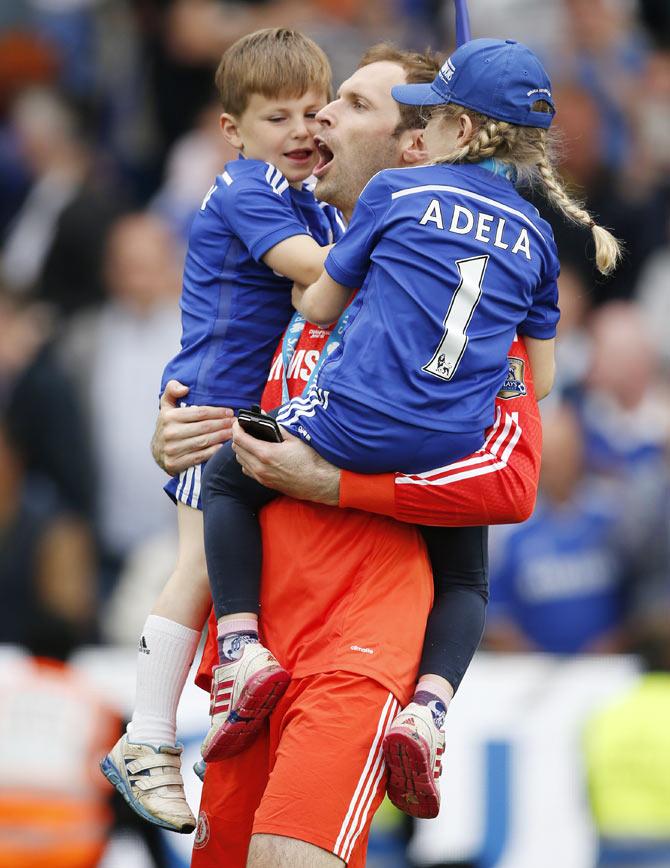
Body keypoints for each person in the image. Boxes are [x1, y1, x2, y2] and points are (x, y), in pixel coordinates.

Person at [153, 45, 546, 866]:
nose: (322, 115)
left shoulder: (473, 312)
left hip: (358, 645)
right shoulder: (298, 264)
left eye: (354, 106)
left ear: (416, 146)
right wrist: (175, 432)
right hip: (256, 660)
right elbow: (220, 396)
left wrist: (334, 485)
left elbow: (508, 478)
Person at [200, 37, 621, 796]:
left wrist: (335, 304)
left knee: (228, 476)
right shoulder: (537, 242)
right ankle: (430, 710)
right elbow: (545, 375)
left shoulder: (398, 196)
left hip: (350, 445)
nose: (328, 115)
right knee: (469, 580)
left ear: (442, 137)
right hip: (448, 436)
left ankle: (240, 650)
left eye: (363, 105)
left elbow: (321, 302)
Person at [100, 28, 341, 834]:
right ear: (233, 129)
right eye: (279, 117)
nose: (303, 129)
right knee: (199, 568)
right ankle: (147, 738)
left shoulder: (304, 193)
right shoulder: (248, 189)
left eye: (315, 111)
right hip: (213, 407)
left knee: (237, 576)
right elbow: (314, 276)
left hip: (258, 411)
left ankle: (223, 723)